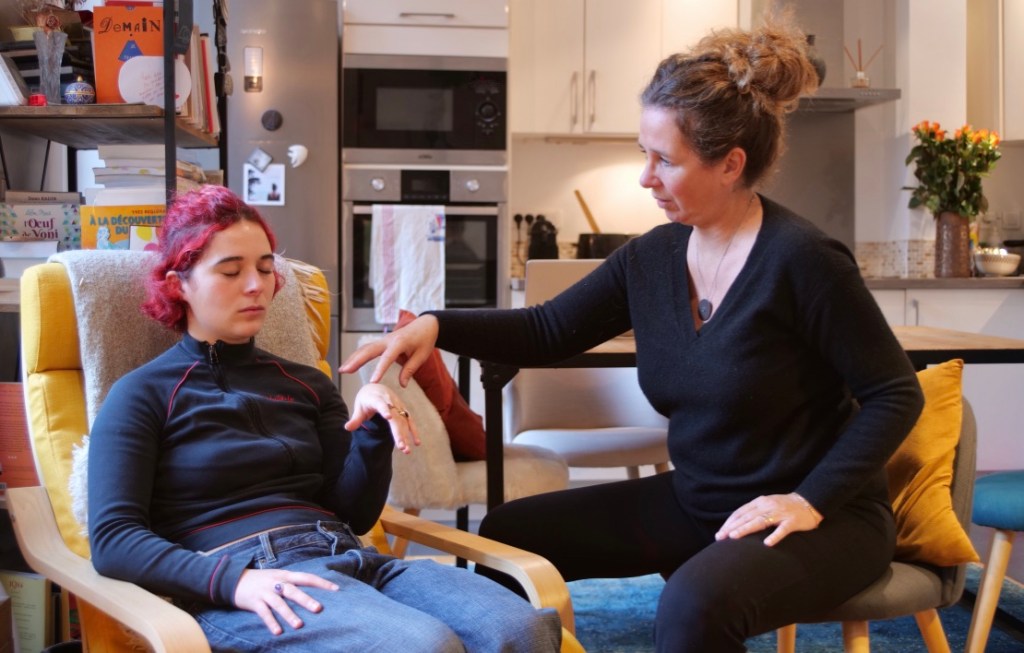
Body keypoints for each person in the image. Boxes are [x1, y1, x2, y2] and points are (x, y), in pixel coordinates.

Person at [341, 17, 925, 653]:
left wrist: (809, 500)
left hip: (822, 518)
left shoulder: (803, 260)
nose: (646, 177)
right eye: (645, 153)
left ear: (731, 164)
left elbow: (896, 393)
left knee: (692, 610)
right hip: (700, 500)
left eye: (665, 160)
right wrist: (436, 324)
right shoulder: (654, 257)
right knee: (510, 534)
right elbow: (547, 329)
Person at [87, 185, 562, 653]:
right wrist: (233, 582)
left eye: (265, 268)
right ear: (179, 285)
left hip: (349, 554)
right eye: (231, 271)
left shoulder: (305, 383)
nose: (256, 286)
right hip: (249, 580)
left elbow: (354, 513)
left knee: (520, 627)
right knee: (423, 646)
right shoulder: (142, 393)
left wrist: (372, 427)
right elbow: (113, 539)